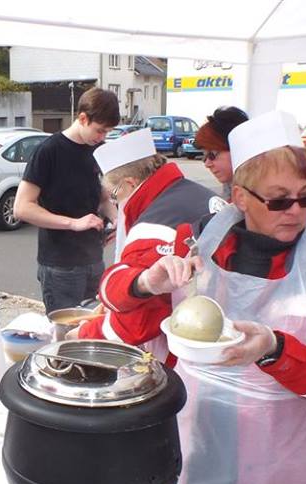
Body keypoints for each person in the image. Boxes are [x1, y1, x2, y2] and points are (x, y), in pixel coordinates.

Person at [117, 111, 306, 484]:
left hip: (287, 450)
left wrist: (276, 349)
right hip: (199, 431)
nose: (296, 212)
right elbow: (124, 307)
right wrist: (146, 281)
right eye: (278, 200)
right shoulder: (196, 241)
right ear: (240, 198)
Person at [74, 128, 221, 351]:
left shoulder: (153, 229)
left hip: (186, 349)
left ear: (130, 184)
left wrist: (84, 334)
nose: (115, 203)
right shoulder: (199, 193)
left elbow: (137, 324)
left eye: (114, 195)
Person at [195, 106, 306, 258]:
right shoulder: (240, 196)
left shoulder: (304, 195)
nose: (207, 163)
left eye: (213, 154)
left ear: (237, 149)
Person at [13, 88, 120, 313]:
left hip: (94, 260)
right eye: (99, 131)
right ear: (82, 118)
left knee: (93, 331)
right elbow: (22, 208)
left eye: (107, 132)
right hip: (60, 266)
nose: (102, 138)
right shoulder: (49, 150)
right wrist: (73, 223)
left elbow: (99, 194)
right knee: (66, 337)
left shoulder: (97, 149)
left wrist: (115, 217)